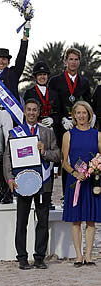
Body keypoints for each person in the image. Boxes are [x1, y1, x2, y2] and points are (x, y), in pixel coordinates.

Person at [3, 99, 60, 269]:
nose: (32, 113)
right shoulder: (15, 132)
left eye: (35, 110)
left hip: (43, 183)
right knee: (22, 221)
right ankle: (21, 257)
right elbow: (7, 158)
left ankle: (39, 257)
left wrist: (45, 152)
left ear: (39, 112)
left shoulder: (47, 132)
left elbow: (58, 155)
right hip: (22, 184)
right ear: (24, 112)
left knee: (42, 221)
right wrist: (10, 179)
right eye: (28, 110)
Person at [0, 34, 28, 204]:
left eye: (4, 59)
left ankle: (11, 191)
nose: (1, 62)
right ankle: (2, 190)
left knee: (9, 153)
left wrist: (24, 41)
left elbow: (21, 59)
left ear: (8, 61)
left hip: (9, 114)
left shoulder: (13, 73)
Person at [62, 101, 101, 267]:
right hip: (75, 181)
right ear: (74, 115)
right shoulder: (68, 135)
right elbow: (64, 162)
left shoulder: (97, 135)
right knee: (76, 220)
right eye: (78, 113)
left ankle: (88, 256)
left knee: (91, 220)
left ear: (89, 114)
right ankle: (78, 256)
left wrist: (95, 170)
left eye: (84, 112)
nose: (81, 116)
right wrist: (75, 173)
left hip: (92, 182)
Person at [48, 47, 91, 197]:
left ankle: (73, 193)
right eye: (70, 59)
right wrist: (61, 119)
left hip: (78, 126)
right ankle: (56, 196)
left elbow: (87, 104)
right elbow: (52, 103)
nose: (73, 62)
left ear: (79, 62)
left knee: (76, 158)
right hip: (61, 127)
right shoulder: (55, 81)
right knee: (61, 159)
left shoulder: (84, 82)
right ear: (65, 61)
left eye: (76, 59)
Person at [24, 61, 61, 209]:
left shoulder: (54, 94)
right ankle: (33, 192)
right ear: (35, 77)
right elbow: (28, 112)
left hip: (50, 131)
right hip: (36, 130)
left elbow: (59, 113)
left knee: (49, 165)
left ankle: (48, 197)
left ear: (47, 76)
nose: (42, 77)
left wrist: (53, 119)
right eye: (39, 75)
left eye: (44, 75)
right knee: (35, 162)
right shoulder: (29, 93)